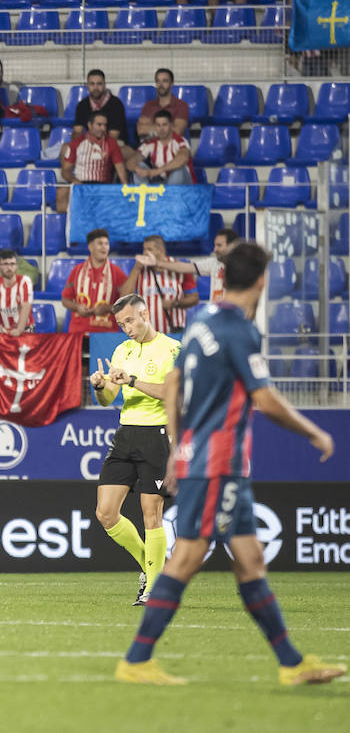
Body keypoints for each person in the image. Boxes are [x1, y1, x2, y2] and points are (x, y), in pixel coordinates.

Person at [116, 243, 343, 686]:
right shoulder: (240, 330)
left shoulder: (203, 320)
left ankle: (292, 663)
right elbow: (264, 399)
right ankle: (138, 660)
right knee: (186, 559)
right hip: (217, 463)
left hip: (212, 461)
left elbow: (177, 381)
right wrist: (313, 431)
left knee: (250, 559)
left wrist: (179, 445)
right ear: (261, 280)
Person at [91, 294, 180, 607]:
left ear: (145, 313)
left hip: (157, 435)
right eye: (121, 323)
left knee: (150, 512)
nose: (126, 328)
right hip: (126, 434)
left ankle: (154, 588)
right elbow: (110, 397)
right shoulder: (121, 350)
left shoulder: (172, 349)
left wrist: (132, 379)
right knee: (105, 512)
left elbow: (171, 393)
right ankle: (152, 567)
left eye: (130, 320)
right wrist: (102, 387)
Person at [119, 235, 200, 335]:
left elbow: (194, 298)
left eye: (149, 249)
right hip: (147, 334)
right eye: (143, 249)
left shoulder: (180, 268)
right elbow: (123, 297)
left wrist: (175, 303)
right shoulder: (139, 270)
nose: (144, 253)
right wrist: (136, 269)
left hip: (173, 333)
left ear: (161, 251)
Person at [138, 227, 239, 303]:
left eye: (219, 245)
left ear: (232, 246)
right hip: (218, 319)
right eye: (215, 245)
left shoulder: (244, 267)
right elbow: (184, 267)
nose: (214, 249)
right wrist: (157, 262)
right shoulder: (213, 263)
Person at [58, 111, 127, 213]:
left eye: (105, 125)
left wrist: (127, 190)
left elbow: (121, 171)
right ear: (89, 125)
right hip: (81, 185)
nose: (103, 128)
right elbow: (65, 171)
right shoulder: (76, 143)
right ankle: (67, 226)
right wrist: (75, 181)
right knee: (62, 193)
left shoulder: (111, 143)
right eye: (99, 125)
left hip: (102, 187)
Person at [62, 228, 128, 333]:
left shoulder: (118, 273)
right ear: (90, 247)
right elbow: (65, 300)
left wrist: (108, 308)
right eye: (100, 243)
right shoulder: (77, 270)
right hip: (78, 333)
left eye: (107, 244)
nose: (104, 247)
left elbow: (126, 305)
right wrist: (77, 307)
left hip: (105, 334)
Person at [131, 110, 193, 185]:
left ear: (171, 125)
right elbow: (131, 161)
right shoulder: (150, 143)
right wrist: (137, 168)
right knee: (139, 165)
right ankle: (145, 194)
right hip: (161, 182)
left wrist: (157, 171)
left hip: (185, 186)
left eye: (164, 125)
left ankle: (169, 195)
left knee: (178, 171)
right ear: (154, 127)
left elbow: (183, 158)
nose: (161, 129)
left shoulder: (180, 141)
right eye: (158, 125)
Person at [71, 68, 128, 142]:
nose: (95, 88)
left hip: (114, 144)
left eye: (99, 84)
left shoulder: (116, 104)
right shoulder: (82, 105)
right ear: (87, 85)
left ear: (104, 85)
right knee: (65, 148)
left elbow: (113, 136)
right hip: (89, 142)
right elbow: (77, 132)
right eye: (92, 84)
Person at [135, 68, 190, 139]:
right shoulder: (148, 106)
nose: (161, 85)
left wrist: (151, 127)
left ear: (172, 83)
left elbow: (177, 131)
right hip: (151, 145)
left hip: (173, 146)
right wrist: (168, 127)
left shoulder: (181, 105)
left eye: (165, 81)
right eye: (158, 81)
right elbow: (141, 131)